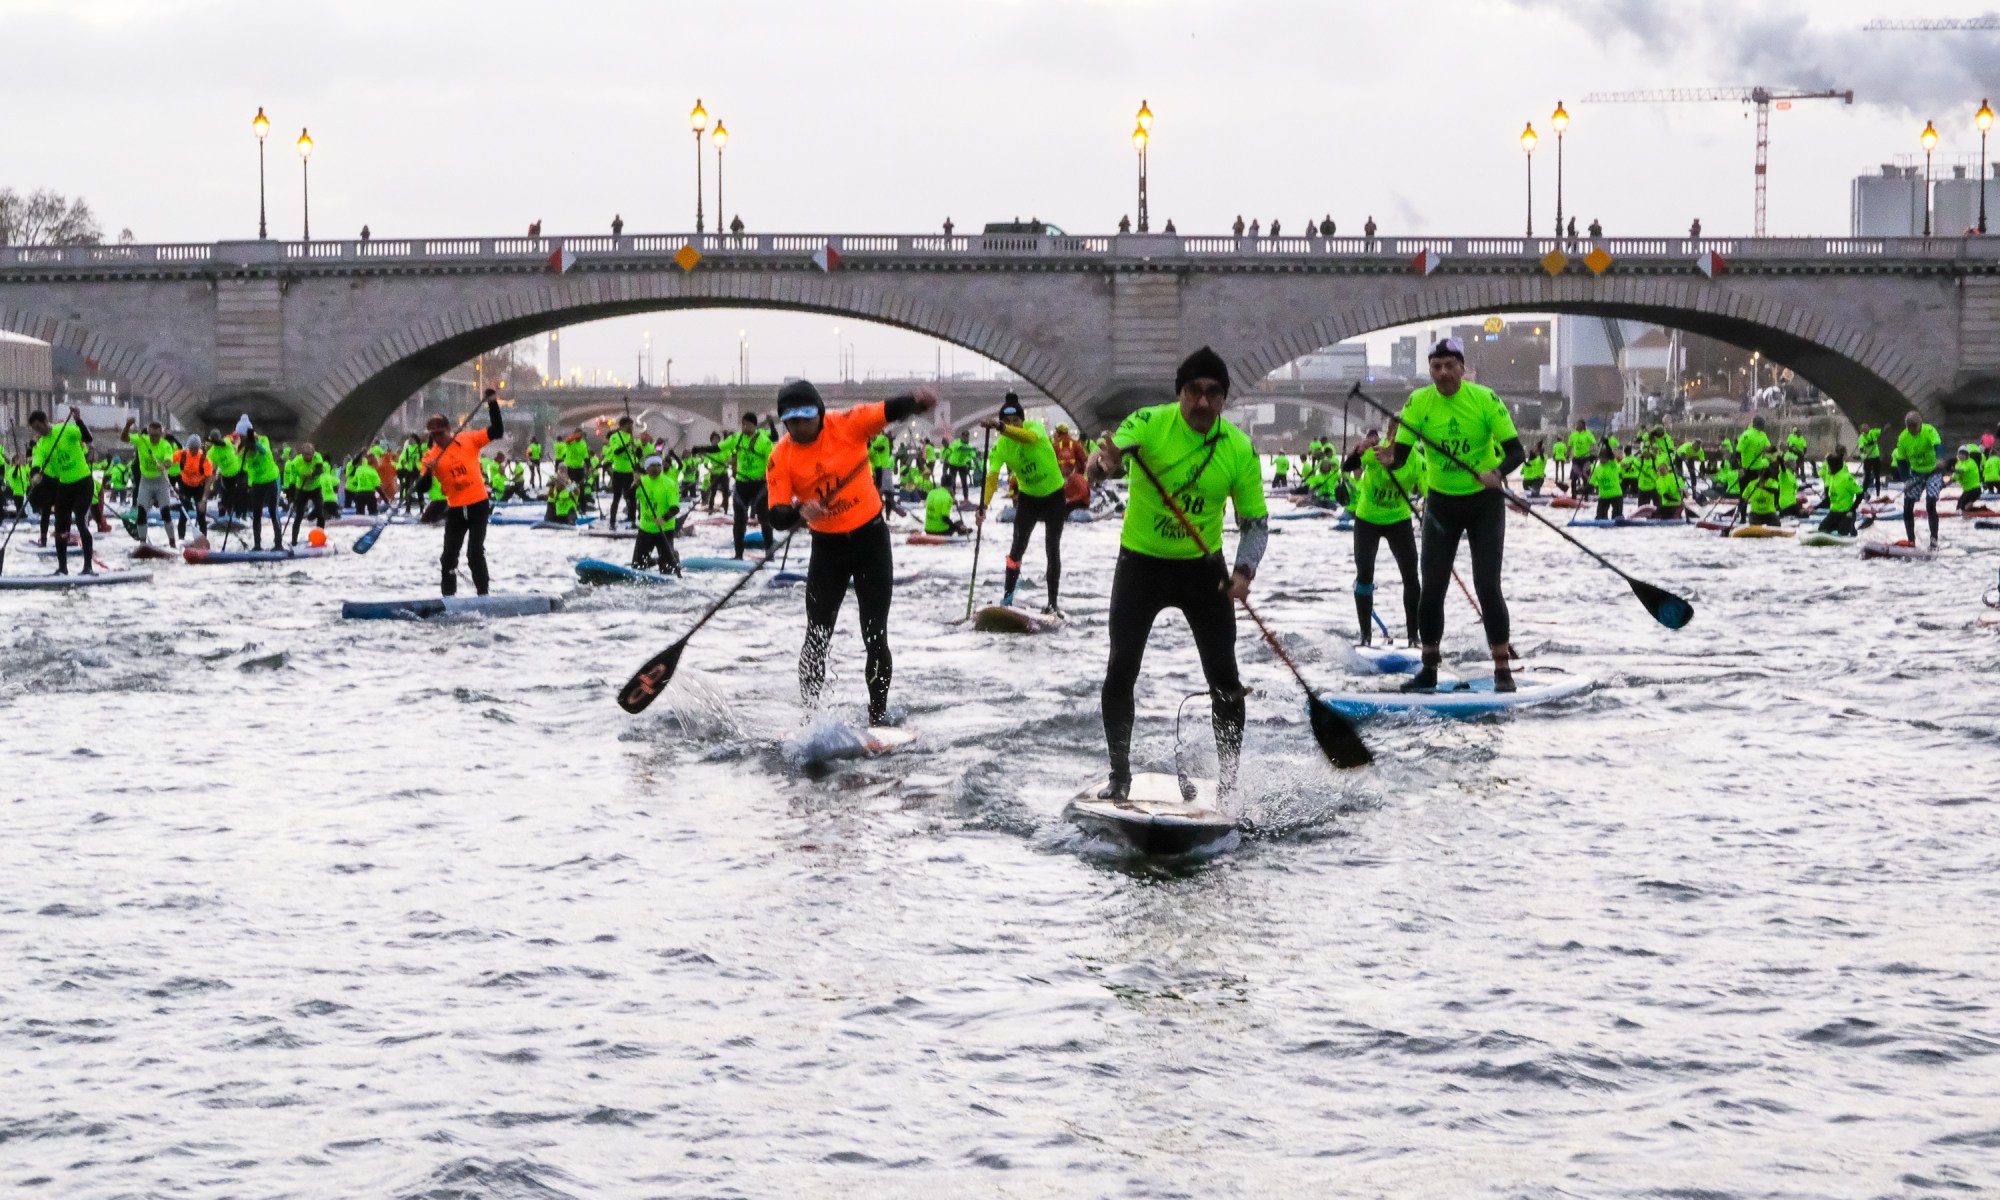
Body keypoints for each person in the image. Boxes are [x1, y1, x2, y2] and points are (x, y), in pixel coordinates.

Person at [1084, 346, 1268, 800]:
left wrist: (1244, 572)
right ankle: (1119, 777)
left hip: (1203, 570)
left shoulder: (1238, 448)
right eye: (1193, 392)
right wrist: (1102, 466)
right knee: (1121, 668)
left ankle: (1228, 786)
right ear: (1179, 393)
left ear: (1224, 398)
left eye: (1212, 393)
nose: (1202, 402)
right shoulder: (1149, 423)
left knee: (1225, 678)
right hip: (1141, 565)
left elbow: (1256, 523)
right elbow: (1105, 459)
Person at [765, 379, 940, 727]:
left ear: (819, 413)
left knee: (875, 634)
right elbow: (776, 514)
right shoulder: (780, 456)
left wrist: (916, 403)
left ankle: (878, 718)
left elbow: (887, 410)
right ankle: (811, 718)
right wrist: (800, 511)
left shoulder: (847, 424)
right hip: (827, 550)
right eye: (792, 422)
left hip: (870, 541)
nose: (799, 427)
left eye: (805, 419)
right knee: (816, 636)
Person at [1386, 338, 1526, 693]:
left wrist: (1497, 474)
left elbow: (1516, 451)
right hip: (1441, 505)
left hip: (1484, 503)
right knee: (1431, 588)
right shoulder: (1418, 402)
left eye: (1450, 365)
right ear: (1430, 370)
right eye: (1436, 366)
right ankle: (1429, 669)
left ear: (1463, 368)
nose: (1443, 372)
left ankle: (1502, 670)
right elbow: (1400, 456)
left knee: (1487, 586)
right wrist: (1385, 456)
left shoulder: (1484, 399)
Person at [978, 392, 1069, 613]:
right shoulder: (1001, 447)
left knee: (1052, 548)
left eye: (1015, 421)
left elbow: (1026, 438)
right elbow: (991, 477)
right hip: (1029, 499)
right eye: (1007, 422)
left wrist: (1001, 427)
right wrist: (983, 506)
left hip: (1054, 495)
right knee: (1016, 549)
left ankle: (1052, 604)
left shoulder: (1034, 429)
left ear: (1022, 420)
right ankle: (1007, 599)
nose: (1012, 426)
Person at [421, 389, 505, 595]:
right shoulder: (430, 457)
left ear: (449, 429)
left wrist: (492, 403)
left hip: (478, 504)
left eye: (440, 434)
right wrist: (428, 474)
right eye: (433, 436)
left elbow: (497, 431)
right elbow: (422, 488)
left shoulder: (468, 440)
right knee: (448, 557)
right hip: (456, 508)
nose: (437, 438)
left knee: (474, 553)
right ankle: (448, 598)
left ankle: (483, 594)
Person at [1344, 427, 1423, 647]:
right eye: (1392, 435)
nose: (1396, 440)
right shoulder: (1375, 453)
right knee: (1365, 575)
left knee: (1411, 577)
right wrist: (1359, 450)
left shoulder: (1416, 460)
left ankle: (1413, 638)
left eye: (1403, 436)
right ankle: (1365, 637)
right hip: (1367, 519)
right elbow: (1347, 467)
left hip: (1399, 520)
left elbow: (1430, 493)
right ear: (1387, 436)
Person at [27, 409, 94, 575]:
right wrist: (35, 475)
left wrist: (78, 420)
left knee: (79, 520)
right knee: (60, 527)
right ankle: (62, 568)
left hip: (83, 482)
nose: (38, 431)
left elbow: (88, 438)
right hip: (64, 485)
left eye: (38, 427)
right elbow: (37, 462)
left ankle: (88, 567)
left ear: (45, 421)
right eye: (35, 429)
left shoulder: (66, 430)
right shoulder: (42, 444)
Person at [720, 412, 776, 559]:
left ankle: (770, 556)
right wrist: (701, 449)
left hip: (760, 485)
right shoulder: (737, 439)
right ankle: (738, 555)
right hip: (741, 485)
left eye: (746, 424)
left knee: (765, 520)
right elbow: (720, 449)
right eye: (742, 424)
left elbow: (773, 461)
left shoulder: (763, 438)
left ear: (754, 425)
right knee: (739, 522)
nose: (743, 427)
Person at [122, 418, 179, 548]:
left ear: (161, 434)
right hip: (145, 483)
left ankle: (172, 543)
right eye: (152, 435)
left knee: (165, 513)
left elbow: (169, 461)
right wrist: (128, 425)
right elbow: (123, 438)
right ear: (148, 433)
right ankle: (143, 543)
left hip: (161, 483)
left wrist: (164, 465)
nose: (154, 438)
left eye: (157, 436)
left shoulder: (165, 445)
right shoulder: (142, 440)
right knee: (141, 512)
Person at [1890, 412, 1944, 546]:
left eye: (1915, 427)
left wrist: (1940, 460)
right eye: (1909, 427)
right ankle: (1911, 540)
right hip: (1916, 473)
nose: (1912, 430)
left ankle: (1934, 539)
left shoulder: (1929, 430)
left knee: (1930, 502)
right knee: (1907, 505)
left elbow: (1938, 446)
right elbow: (1902, 461)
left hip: (1933, 472)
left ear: (1920, 424)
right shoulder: (1903, 438)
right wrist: (1906, 479)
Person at [631, 454, 683, 574]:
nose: (656, 469)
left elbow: (675, 508)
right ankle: (652, 561)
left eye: (658, 466)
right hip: (646, 529)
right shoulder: (642, 481)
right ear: (647, 468)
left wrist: (663, 518)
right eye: (652, 466)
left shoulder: (669, 483)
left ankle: (671, 557)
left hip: (665, 529)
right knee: (637, 567)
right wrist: (634, 485)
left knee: (667, 569)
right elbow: (628, 497)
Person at [238, 417, 284, 551]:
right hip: (257, 482)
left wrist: (254, 442)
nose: (241, 438)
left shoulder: (263, 440)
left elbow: (264, 451)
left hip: (271, 479)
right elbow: (242, 460)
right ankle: (257, 545)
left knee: (273, 512)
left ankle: (278, 544)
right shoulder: (241, 449)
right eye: (240, 436)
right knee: (256, 513)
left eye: (243, 436)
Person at [601, 416, 639, 531]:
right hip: (618, 471)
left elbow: (637, 455)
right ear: (623, 425)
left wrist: (636, 448)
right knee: (616, 498)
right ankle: (612, 522)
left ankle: (632, 520)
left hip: (630, 472)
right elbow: (617, 452)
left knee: (632, 498)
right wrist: (627, 445)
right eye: (630, 425)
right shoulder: (615, 437)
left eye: (632, 426)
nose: (631, 428)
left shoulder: (632, 437)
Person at [1818, 450, 1861, 535]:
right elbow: (1828, 500)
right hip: (1833, 513)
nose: (1829, 469)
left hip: (1846, 513)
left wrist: (1852, 510)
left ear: (1835, 467)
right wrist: (1815, 507)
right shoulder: (1832, 478)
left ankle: (1851, 528)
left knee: (1842, 533)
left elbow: (1860, 494)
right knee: (1822, 529)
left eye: (1830, 467)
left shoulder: (1847, 478)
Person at [1589, 448, 1624, 520]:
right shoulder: (1596, 469)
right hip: (1603, 496)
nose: (1602, 459)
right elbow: (1591, 482)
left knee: (1617, 518)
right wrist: (1586, 488)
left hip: (1616, 495)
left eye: (1604, 457)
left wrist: (1606, 443)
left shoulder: (1613, 465)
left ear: (1608, 458)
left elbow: (1611, 455)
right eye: (1600, 457)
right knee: (1600, 518)